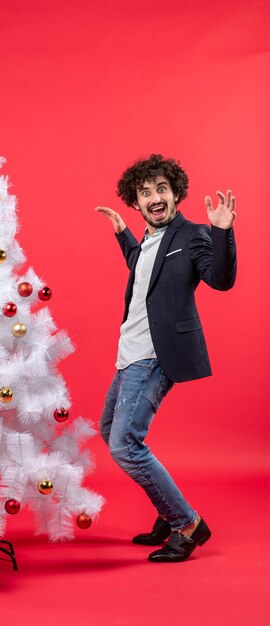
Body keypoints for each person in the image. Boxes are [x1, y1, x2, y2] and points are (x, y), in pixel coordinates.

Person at [95, 154, 237, 563]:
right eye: (145, 192)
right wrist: (123, 235)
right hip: (128, 356)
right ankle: (167, 514)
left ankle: (188, 524)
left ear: (175, 194)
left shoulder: (192, 235)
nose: (154, 197)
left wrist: (223, 231)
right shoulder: (147, 243)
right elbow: (144, 269)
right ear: (135, 203)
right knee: (111, 433)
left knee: (125, 445)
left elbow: (221, 280)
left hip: (154, 357)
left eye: (161, 189)